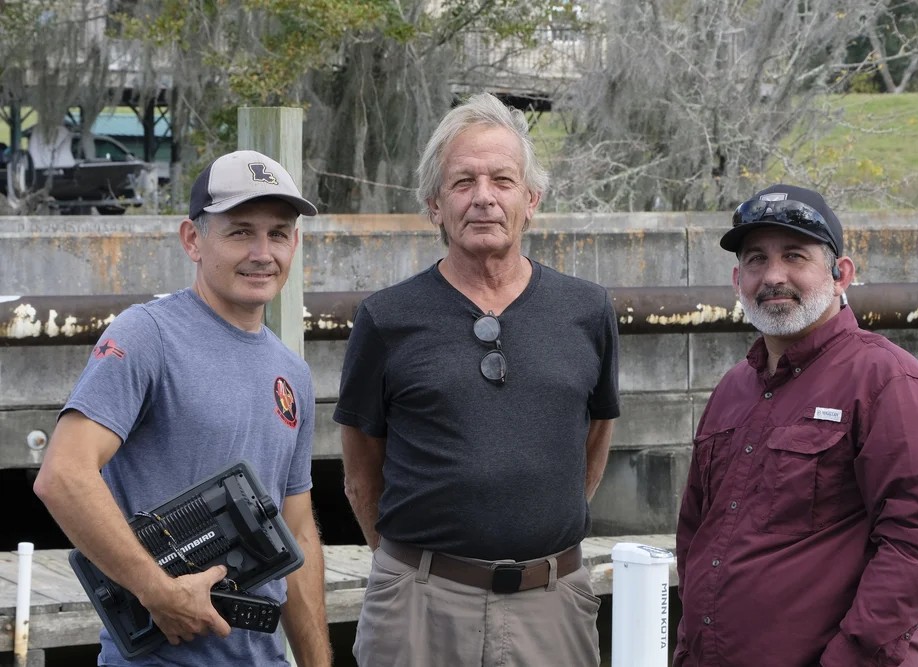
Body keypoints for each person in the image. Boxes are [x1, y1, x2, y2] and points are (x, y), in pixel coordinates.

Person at [334, 92, 620, 667]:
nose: (483, 197)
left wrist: (532, 528)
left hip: (552, 607)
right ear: (435, 204)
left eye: (503, 180)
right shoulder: (386, 319)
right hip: (418, 610)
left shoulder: (588, 311)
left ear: (532, 199)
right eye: (463, 182)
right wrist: (418, 572)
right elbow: (361, 471)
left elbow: (592, 440)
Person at [33, 150, 332, 667]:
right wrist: (157, 590)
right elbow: (63, 474)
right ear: (193, 240)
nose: (263, 252)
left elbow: (297, 533)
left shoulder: (294, 375)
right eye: (240, 231)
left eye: (279, 233)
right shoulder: (146, 335)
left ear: (296, 244)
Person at [673, 184, 918, 666]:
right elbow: (695, 533)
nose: (773, 276)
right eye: (756, 260)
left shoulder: (889, 382)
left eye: (795, 256)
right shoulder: (732, 389)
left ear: (840, 273)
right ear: (736, 278)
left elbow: (917, 546)